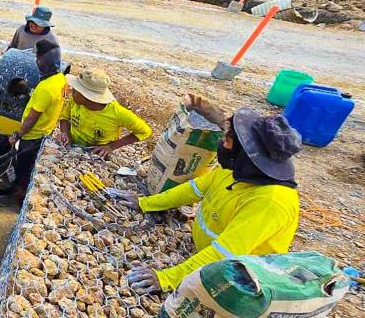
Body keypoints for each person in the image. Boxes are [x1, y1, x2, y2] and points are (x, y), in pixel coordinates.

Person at [114, 108, 301, 294]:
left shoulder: (270, 202)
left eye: (228, 141)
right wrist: (145, 203)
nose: (221, 144)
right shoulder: (236, 172)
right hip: (203, 257)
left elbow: (225, 253)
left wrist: (167, 278)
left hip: (234, 282)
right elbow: (192, 190)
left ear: (246, 154)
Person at [0, 39, 67, 207]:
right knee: (29, 167)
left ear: (42, 62)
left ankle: (15, 200)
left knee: (22, 169)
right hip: (44, 132)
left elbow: (32, 117)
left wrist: (18, 135)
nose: (37, 62)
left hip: (32, 135)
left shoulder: (45, 88)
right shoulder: (60, 79)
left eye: (38, 59)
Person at [57, 68, 151, 157]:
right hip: (72, 145)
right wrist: (65, 133)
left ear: (88, 97)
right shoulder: (75, 102)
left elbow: (144, 131)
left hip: (96, 153)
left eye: (75, 91)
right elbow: (65, 117)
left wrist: (111, 147)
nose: (71, 91)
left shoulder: (117, 113)